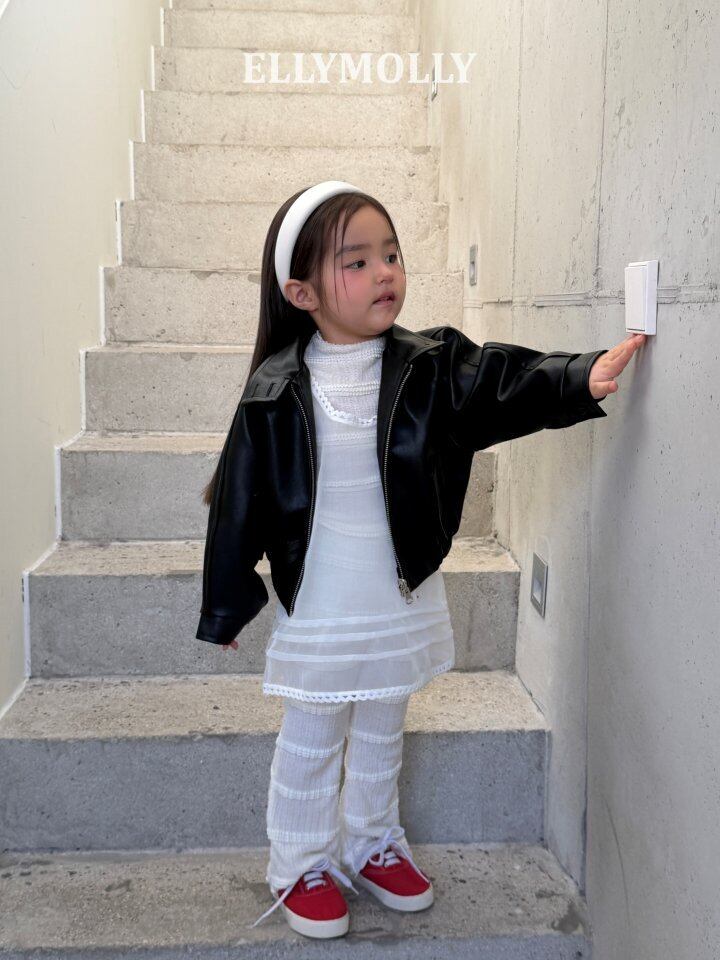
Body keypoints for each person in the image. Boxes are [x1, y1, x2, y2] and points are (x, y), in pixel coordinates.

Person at [195, 181, 646, 939]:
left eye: (392, 254)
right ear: (302, 293)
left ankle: (371, 840)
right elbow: (240, 502)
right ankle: (298, 860)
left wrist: (579, 376)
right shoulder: (272, 392)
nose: (385, 273)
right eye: (357, 261)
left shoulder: (429, 365)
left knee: (383, 717)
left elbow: (503, 382)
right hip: (322, 594)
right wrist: (227, 602)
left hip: (396, 588)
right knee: (314, 729)